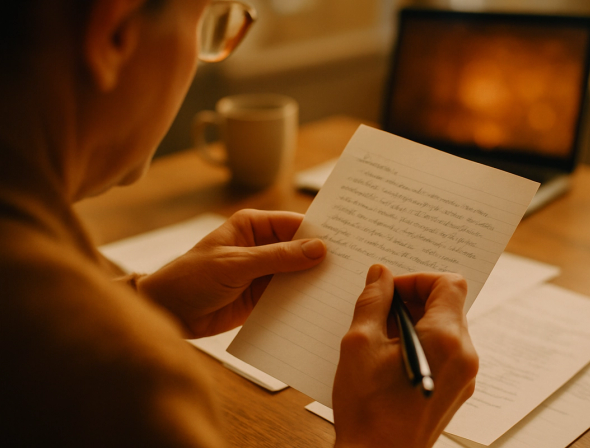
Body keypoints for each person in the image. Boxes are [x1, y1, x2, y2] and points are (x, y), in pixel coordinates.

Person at [0, 1, 479, 447]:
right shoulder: (120, 381)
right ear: (117, 32)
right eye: (208, 18)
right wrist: (383, 438)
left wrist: (147, 301)